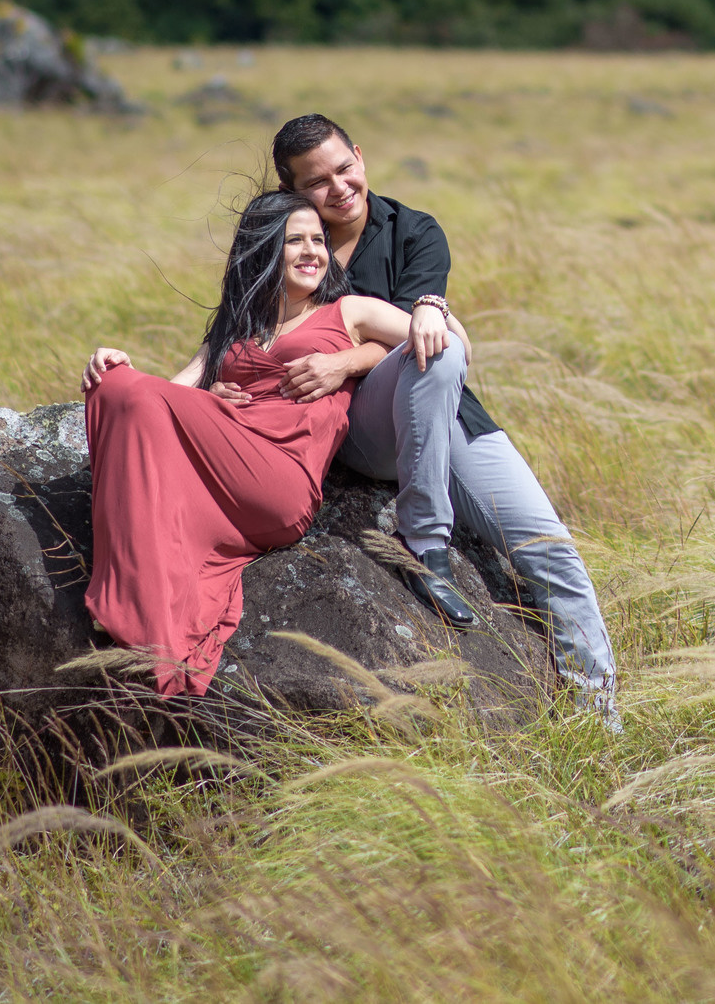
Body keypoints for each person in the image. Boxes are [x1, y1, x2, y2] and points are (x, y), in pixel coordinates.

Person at [262, 113, 619, 718]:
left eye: (345, 168)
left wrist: (345, 358)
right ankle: (425, 539)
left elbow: (420, 341)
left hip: (446, 415)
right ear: (293, 191)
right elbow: (245, 335)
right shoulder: (286, 245)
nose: (340, 188)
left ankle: (599, 716)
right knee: (438, 347)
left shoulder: (414, 231)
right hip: (353, 426)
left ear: (361, 156)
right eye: (318, 182)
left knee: (551, 550)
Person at [79, 187, 466, 697]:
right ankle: (135, 601)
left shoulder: (349, 312)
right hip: (230, 461)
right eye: (295, 241)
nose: (313, 252)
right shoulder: (236, 324)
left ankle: (130, 610)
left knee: (131, 391)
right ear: (264, 250)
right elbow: (168, 393)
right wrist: (120, 365)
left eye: (318, 240)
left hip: (281, 477)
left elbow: (450, 347)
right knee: (120, 385)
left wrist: (357, 355)